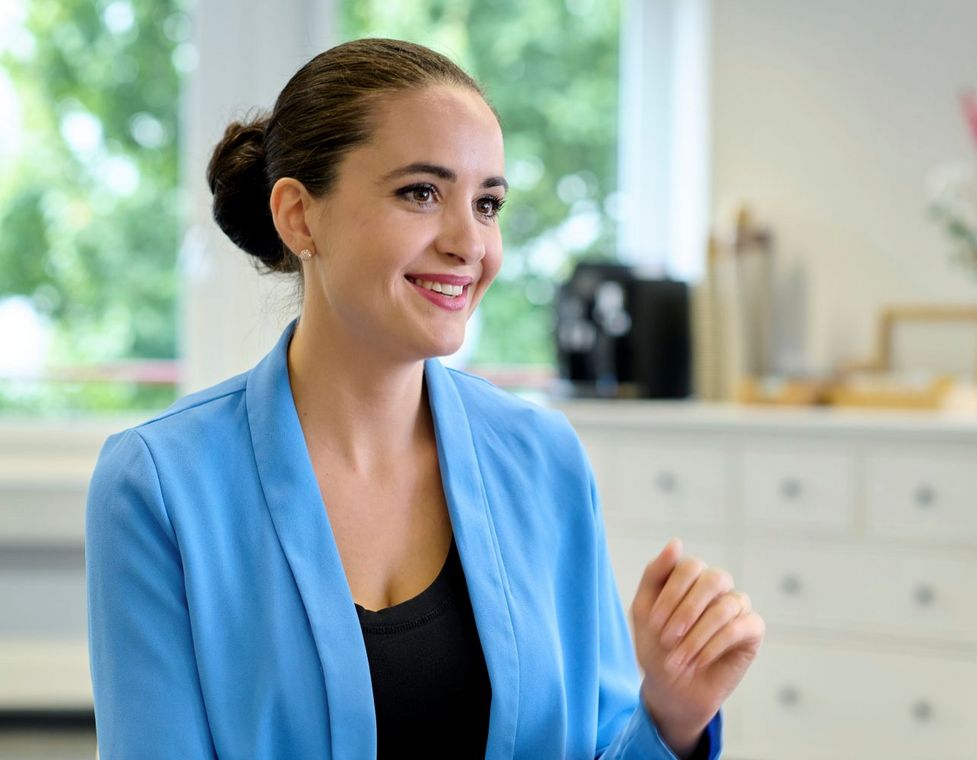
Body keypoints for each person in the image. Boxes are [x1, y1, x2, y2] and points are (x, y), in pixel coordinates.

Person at [85, 38, 765, 759]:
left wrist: (671, 716)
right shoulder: (160, 485)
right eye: (420, 193)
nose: (470, 242)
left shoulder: (544, 461)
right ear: (299, 216)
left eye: (488, 203)